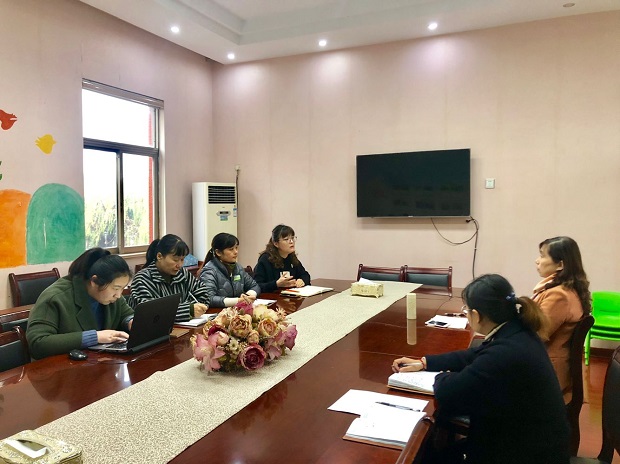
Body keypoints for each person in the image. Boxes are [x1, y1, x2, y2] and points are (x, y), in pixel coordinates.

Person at [392, 274, 569, 464]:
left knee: (427, 457)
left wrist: (442, 376)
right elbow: (474, 354)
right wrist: (426, 362)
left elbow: (447, 392)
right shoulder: (516, 331)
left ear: (476, 315)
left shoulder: (504, 353)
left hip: (522, 453)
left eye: (466, 310)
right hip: (527, 441)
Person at [27, 248, 134, 359]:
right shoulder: (55, 297)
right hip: (60, 366)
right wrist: (95, 337)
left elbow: (126, 315)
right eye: (116, 288)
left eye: (122, 288)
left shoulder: (110, 295)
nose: (118, 295)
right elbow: (38, 343)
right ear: (94, 281)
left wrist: (131, 321)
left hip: (98, 361)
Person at [533, 236, 591, 403]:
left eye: (542, 256)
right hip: (545, 363)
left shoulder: (559, 295)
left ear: (560, 265)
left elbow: (536, 334)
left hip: (546, 371)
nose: (537, 261)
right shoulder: (562, 289)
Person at [129, 234, 209, 322]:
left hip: (186, 326)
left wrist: (196, 308)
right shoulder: (142, 279)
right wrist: (188, 310)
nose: (179, 265)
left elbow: (204, 294)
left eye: (182, 259)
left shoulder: (182, 273)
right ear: (159, 256)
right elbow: (149, 312)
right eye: (175, 260)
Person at [199, 232, 261, 308]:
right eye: (231, 249)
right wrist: (238, 301)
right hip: (219, 312)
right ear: (218, 252)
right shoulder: (209, 271)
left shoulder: (238, 267)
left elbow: (254, 286)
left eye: (236, 248)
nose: (236, 252)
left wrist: (248, 296)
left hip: (237, 310)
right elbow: (209, 298)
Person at [253, 224, 311, 292]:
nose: (291, 242)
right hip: (272, 297)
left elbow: (305, 274)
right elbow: (257, 286)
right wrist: (276, 284)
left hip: (290, 296)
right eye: (286, 239)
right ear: (276, 244)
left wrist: (302, 280)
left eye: (292, 238)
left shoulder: (291, 257)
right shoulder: (265, 259)